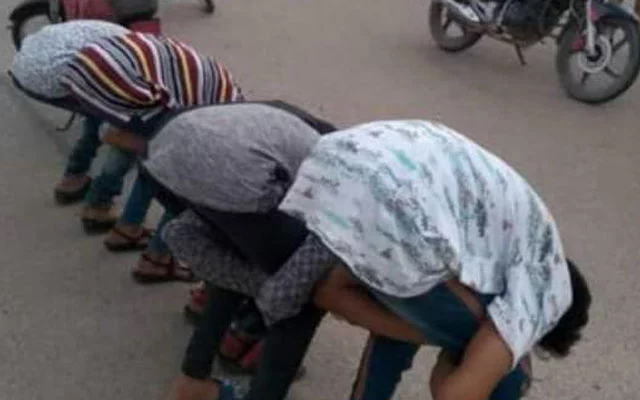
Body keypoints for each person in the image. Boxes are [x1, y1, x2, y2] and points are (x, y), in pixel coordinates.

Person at [264, 119, 592, 400]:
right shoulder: (546, 294)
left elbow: (331, 294)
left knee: (418, 306)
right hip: (402, 206)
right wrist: (458, 351)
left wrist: (421, 330)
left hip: (343, 161)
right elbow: (454, 395)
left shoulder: (514, 244)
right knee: (503, 367)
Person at [134, 101, 336, 400]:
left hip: (162, 155)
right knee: (303, 294)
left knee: (235, 252)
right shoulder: (338, 172)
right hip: (237, 176)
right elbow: (315, 250)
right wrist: (291, 289)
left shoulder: (295, 125)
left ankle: (192, 378)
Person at [58, 30, 243, 281]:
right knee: (183, 184)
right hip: (146, 86)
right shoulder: (223, 118)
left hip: (109, 70)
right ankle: (155, 258)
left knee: (152, 159)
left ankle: (119, 222)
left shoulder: (220, 99)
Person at [10, 20, 130, 206]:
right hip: (51, 74)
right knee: (122, 129)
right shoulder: (123, 57)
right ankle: (95, 197)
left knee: (99, 110)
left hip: (24, 64)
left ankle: (75, 177)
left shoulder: (122, 38)